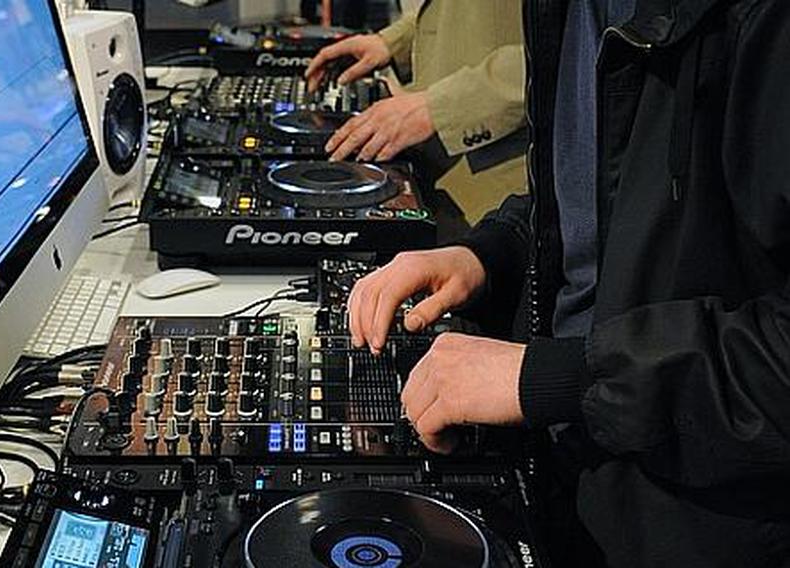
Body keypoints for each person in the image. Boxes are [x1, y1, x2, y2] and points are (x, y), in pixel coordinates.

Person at [347, 0, 790, 566]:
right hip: (585, 473)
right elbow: (601, 200)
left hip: (711, 519)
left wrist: (558, 378)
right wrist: (490, 253)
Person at [304, 0, 526, 223]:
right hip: (437, 165)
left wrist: (439, 107)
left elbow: (554, 51)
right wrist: (391, 43)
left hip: (499, 185)